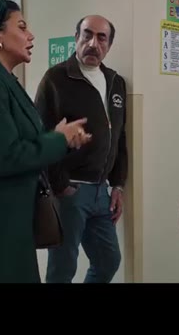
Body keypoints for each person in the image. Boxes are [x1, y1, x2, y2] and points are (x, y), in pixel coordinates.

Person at [0, 0, 91, 283]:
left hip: (7, 216)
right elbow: (7, 157)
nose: (30, 35)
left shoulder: (3, 79)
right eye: (22, 27)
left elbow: (19, 140)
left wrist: (58, 137)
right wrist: (59, 140)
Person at [34, 15, 128, 283]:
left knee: (108, 261)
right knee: (62, 269)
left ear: (109, 45)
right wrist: (60, 184)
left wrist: (118, 184)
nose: (93, 43)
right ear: (76, 38)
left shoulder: (115, 82)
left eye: (101, 38)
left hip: (102, 193)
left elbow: (120, 137)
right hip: (70, 192)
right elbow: (41, 136)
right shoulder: (56, 79)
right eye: (87, 35)